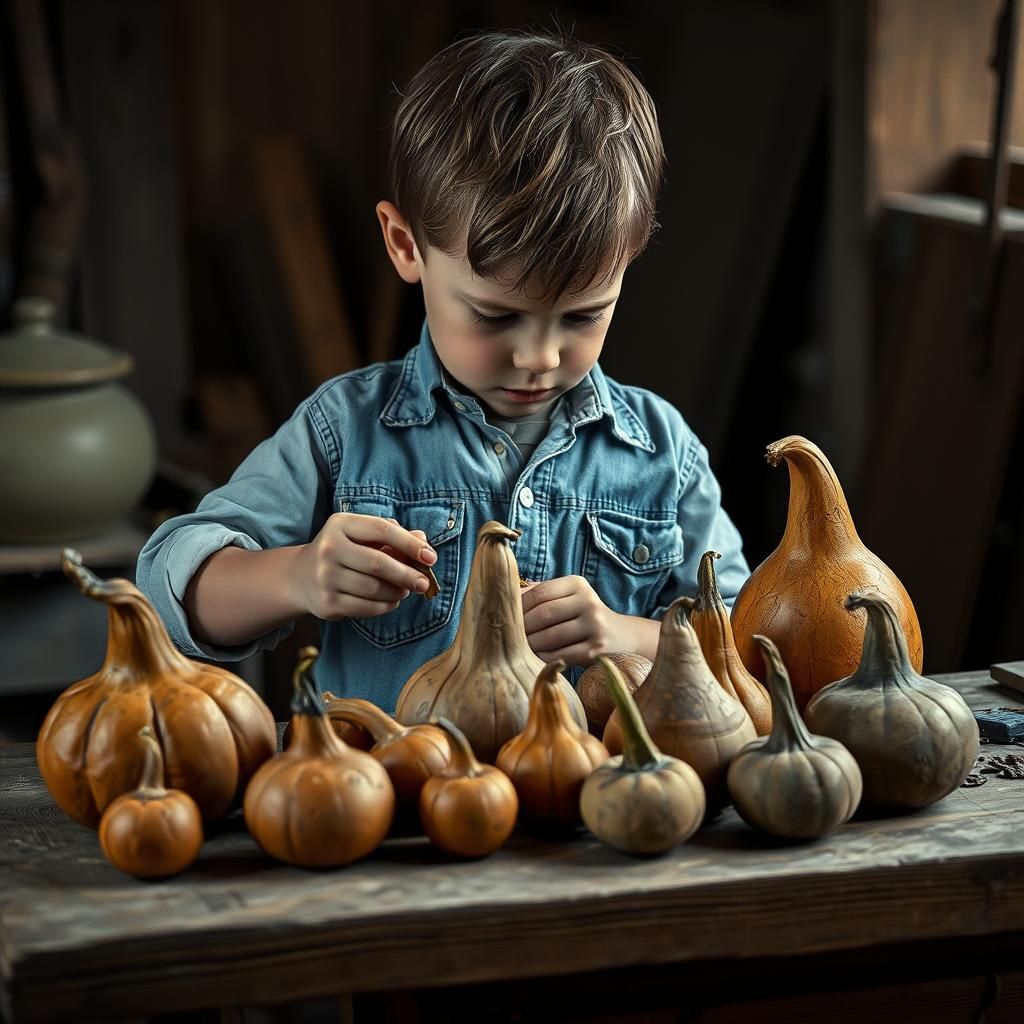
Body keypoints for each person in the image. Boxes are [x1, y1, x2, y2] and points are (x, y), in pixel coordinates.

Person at [136, 28, 749, 710]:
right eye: (494, 317)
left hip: (606, 811)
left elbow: (748, 645)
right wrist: (299, 576)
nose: (539, 358)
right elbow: (166, 588)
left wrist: (624, 634)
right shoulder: (346, 435)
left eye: (582, 317)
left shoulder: (664, 455)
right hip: (392, 811)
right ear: (405, 246)